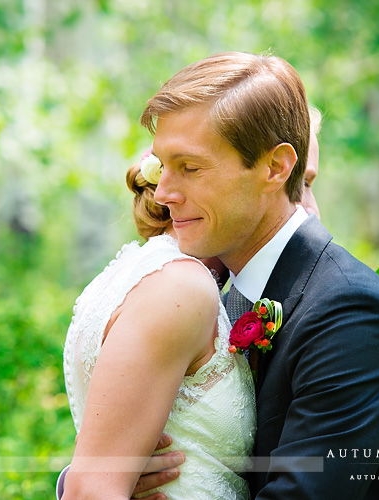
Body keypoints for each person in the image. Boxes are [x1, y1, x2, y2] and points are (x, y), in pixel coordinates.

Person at [136, 51, 379, 499]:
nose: (164, 193)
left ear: (275, 168)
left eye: (190, 168)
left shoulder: (351, 312)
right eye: (162, 167)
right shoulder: (206, 290)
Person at [60, 150, 256, 499]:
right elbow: (92, 489)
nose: (309, 210)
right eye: (302, 184)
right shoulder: (180, 285)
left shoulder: (136, 273)